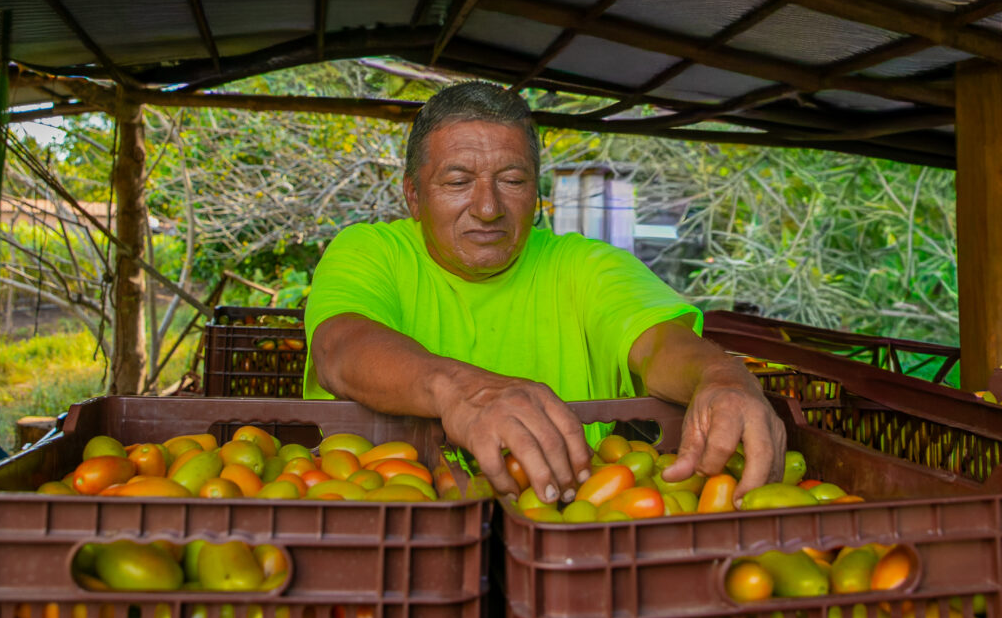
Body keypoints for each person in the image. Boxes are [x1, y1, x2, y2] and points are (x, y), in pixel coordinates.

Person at [304, 82, 784, 505]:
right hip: (390, 511)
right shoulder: (372, 251)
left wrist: (720, 376)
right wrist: (461, 391)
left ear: (536, 193)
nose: (488, 208)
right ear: (413, 195)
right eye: (458, 182)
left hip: (563, 513)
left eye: (512, 181)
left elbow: (660, 343)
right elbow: (340, 347)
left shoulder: (587, 265)